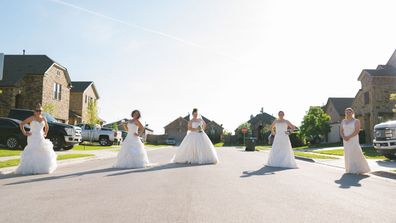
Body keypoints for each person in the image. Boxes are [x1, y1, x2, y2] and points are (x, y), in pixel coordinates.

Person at [15, 104, 57, 175]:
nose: (38, 112)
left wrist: (45, 133)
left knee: (42, 151)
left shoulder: (44, 118)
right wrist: (24, 132)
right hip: (32, 137)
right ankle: (31, 168)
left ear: (42, 111)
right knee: (32, 152)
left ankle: (41, 168)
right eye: (37, 110)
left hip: (40, 137)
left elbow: (47, 126)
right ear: (34, 111)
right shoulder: (32, 118)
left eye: (40, 110)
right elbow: (21, 124)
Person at [340, 108, 370, 174]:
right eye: (347, 112)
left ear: (352, 113)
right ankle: (349, 169)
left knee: (355, 152)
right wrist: (344, 137)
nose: (348, 113)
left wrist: (349, 137)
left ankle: (359, 169)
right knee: (348, 153)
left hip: (353, 139)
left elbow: (356, 131)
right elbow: (341, 131)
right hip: (345, 140)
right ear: (345, 113)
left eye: (349, 112)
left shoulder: (356, 121)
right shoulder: (343, 121)